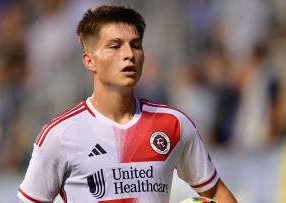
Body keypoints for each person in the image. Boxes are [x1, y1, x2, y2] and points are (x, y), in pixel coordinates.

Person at [18, 5, 237, 203]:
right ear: (89, 60)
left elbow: (217, 193)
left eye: (136, 45)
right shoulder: (60, 134)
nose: (129, 55)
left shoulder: (174, 124)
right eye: (115, 46)